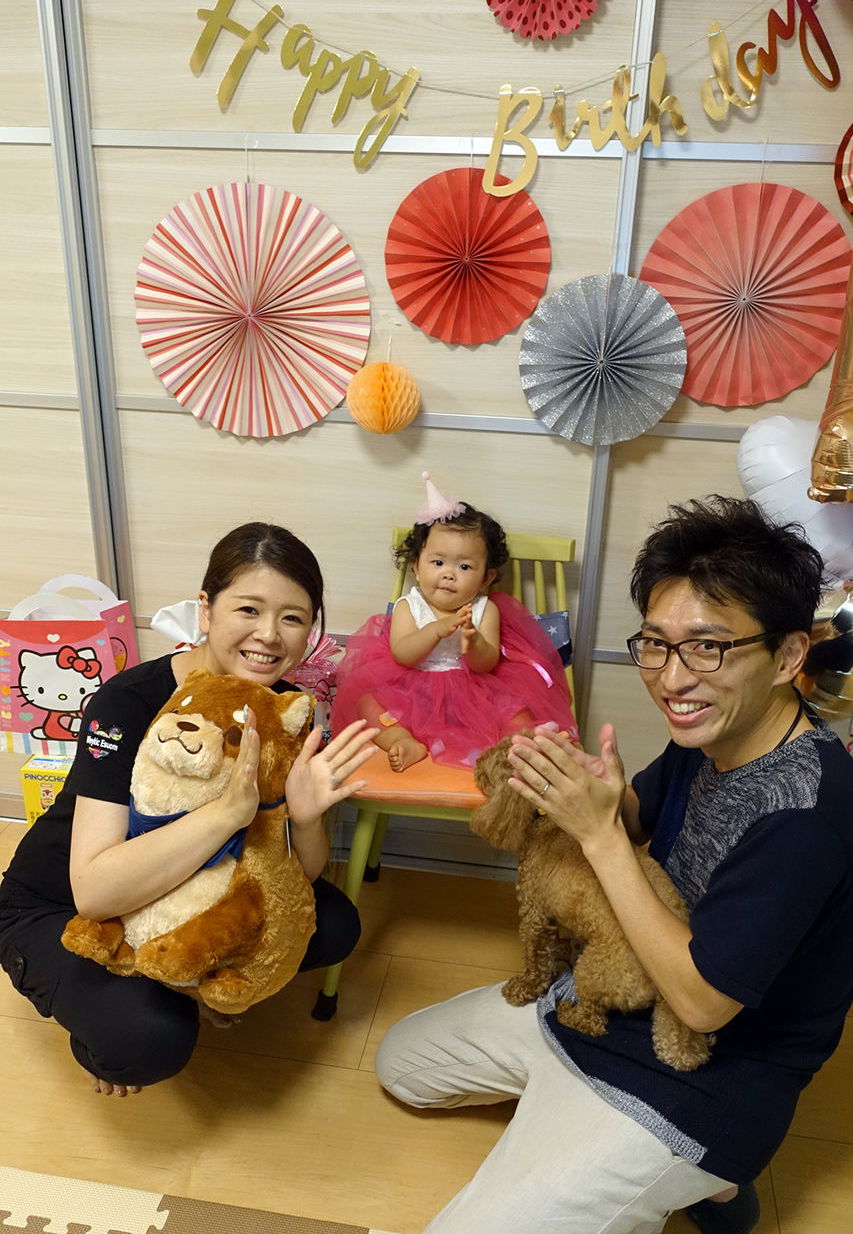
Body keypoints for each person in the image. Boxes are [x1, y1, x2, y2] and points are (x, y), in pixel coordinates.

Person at [375, 495, 853, 1234]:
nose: (672, 679)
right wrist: (589, 791)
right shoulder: (710, 736)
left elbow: (703, 1005)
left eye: (707, 647)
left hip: (704, 1074)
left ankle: (701, 1177)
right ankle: (567, 1116)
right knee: (402, 1065)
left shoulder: (808, 812)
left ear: (788, 657)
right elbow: (637, 817)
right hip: (608, 999)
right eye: (656, 644)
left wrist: (598, 837)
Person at [0, 522, 377, 1097]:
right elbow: (94, 893)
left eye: (293, 618)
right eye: (248, 609)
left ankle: (179, 977)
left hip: (190, 889)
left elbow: (291, 876)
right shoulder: (127, 703)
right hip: (62, 907)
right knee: (148, 1039)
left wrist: (303, 818)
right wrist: (227, 813)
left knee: (334, 925)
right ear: (205, 609)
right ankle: (103, 1023)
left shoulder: (282, 711)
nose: (269, 635)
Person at [332, 471, 578, 771]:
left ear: (486, 578)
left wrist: (473, 642)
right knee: (368, 704)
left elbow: (486, 664)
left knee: (514, 710)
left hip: (472, 693)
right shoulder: (409, 606)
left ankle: (527, 742)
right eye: (438, 562)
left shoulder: (485, 609)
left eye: (464, 566)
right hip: (414, 693)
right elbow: (403, 654)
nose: (449, 574)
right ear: (417, 567)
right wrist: (435, 630)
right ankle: (403, 740)